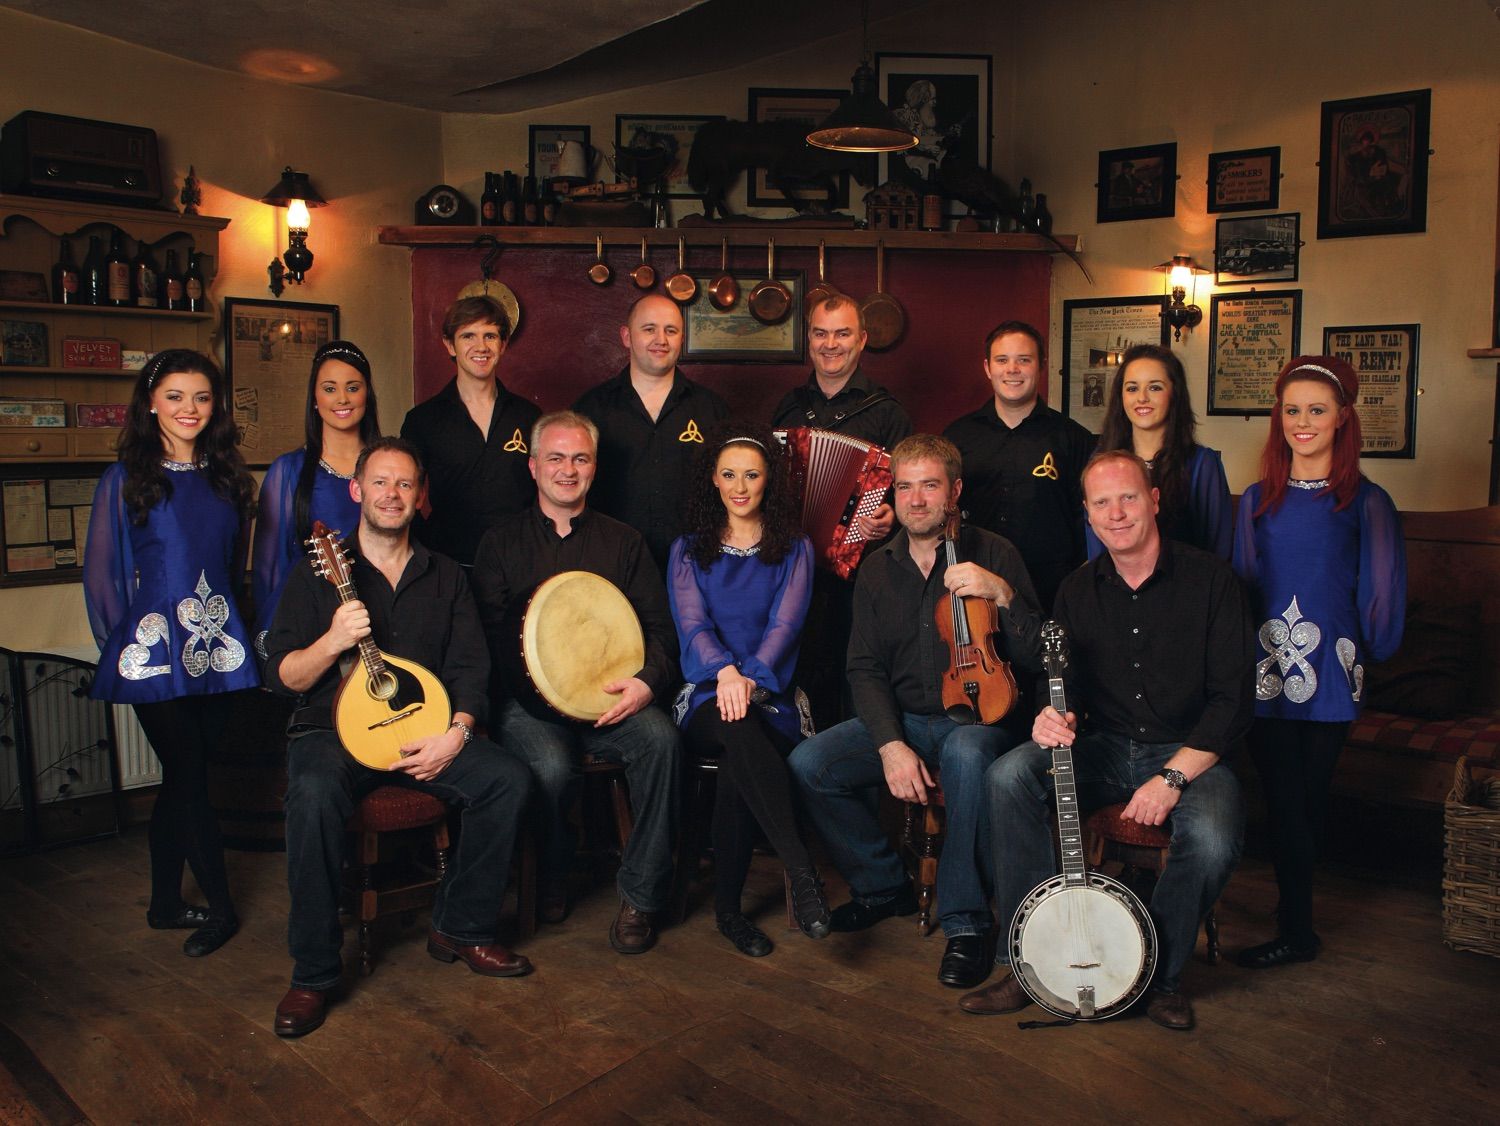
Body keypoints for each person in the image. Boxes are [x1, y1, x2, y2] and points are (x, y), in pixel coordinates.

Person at [962, 450, 1251, 1031]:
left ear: (1154, 501)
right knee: (1007, 776)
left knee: (1215, 837)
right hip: (1105, 744)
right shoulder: (1076, 589)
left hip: (1188, 751)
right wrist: (1049, 715)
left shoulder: (1213, 581)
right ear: (1088, 516)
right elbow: (1062, 683)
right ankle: (1029, 963)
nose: (1116, 513)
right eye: (1101, 503)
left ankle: (1159, 976)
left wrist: (1172, 778)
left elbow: (1234, 701)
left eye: (1128, 498)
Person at [262, 437, 533, 1038]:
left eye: (405, 484)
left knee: (508, 780)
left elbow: (471, 670)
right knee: (310, 795)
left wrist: (456, 734)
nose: (393, 494)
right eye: (380, 483)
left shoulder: (446, 577)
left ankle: (460, 928)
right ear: (357, 491)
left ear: (421, 497)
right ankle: (312, 973)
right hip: (332, 732)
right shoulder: (317, 575)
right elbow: (283, 677)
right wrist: (333, 639)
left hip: (423, 731)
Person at [789, 434, 1041, 989]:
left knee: (970, 754)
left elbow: (1037, 656)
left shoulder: (995, 553)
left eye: (930, 485)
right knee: (811, 764)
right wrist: (890, 744)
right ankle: (883, 884)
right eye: (905, 487)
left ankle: (966, 922)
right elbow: (864, 669)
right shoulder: (877, 569)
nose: (917, 499)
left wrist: (1003, 594)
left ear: (954, 490)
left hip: (977, 724)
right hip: (905, 721)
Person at [470, 411, 680, 954]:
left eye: (580, 459)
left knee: (662, 742)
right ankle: (554, 872)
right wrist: (546, 688)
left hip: (614, 703)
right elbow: (489, 643)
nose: (568, 470)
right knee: (549, 767)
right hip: (529, 707)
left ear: (594, 467)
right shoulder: (500, 544)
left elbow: (661, 631)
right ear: (534, 466)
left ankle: (641, 896)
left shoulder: (625, 543)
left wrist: (646, 685)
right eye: (557, 458)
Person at [83, 349, 259, 959]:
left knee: (183, 779)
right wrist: (124, 650)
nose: (190, 409)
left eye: (203, 398)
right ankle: (224, 908)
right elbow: (103, 575)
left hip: (217, 642)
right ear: (151, 401)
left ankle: (164, 904)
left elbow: (237, 568)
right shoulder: (125, 479)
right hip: (154, 649)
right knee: (190, 777)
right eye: (177, 396)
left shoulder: (228, 477)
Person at [1232, 356, 1406, 970]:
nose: (1302, 422)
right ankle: (1294, 923)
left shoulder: (1367, 501)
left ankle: (1297, 927)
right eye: (1292, 410)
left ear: (1342, 419)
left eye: (1316, 410)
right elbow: (1243, 587)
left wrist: (1368, 656)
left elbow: (1381, 591)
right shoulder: (1257, 499)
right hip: (1265, 671)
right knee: (1278, 799)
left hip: (1329, 672)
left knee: (1306, 798)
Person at [667, 421, 831, 957]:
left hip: (772, 693)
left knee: (743, 746)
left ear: (769, 483)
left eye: (752, 476)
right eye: (730, 475)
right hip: (708, 691)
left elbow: (786, 628)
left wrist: (751, 678)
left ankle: (729, 913)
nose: (740, 487)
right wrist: (725, 673)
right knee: (735, 724)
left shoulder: (796, 549)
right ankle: (802, 871)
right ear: (713, 480)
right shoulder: (688, 549)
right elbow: (692, 626)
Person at [771, 295, 912, 730]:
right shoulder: (788, 408)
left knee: (859, 684)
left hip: (863, 578)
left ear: (862, 340)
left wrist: (891, 517)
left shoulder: (887, 414)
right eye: (820, 332)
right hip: (794, 572)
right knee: (800, 682)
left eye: (843, 333)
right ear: (808, 340)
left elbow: (912, 493)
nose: (831, 344)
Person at [943, 320, 1095, 612]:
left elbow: (1086, 521)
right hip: (974, 591)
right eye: (1002, 360)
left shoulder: (1074, 439)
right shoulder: (957, 437)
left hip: (1052, 592)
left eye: (1023, 360)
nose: (1012, 369)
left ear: (1040, 366)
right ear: (988, 368)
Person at [574, 294, 730, 571]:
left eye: (671, 330)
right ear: (626, 336)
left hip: (695, 565)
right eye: (649, 329)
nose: (661, 339)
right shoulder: (590, 409)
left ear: (682, 339)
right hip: (611, 562)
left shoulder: (712, 409)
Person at [252, 340, 381, 653]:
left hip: (380, 613)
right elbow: (270, 567)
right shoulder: (289, 470)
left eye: (353, 387)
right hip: (310, 619)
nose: (342, 398)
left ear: (367, 395)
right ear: (314, 398)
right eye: (329, 388)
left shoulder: (389, 463)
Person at [400, 295, 541, 566]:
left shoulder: (529, 416)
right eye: (468, 336)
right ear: (449, 345)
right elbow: (405, 490)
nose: (481, 346)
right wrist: (426, 550)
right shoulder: (422, 420)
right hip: (448, 566)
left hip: (518, 563)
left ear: (503, 344)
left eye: (490, 336)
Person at [1087, 343, 1231, 560]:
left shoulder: (1202, 464)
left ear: (1174, 393)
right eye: (1132, 388)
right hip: (1116, 589)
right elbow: (1096, 548)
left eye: (1155, 387)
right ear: (1121, 396)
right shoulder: (1101, 465)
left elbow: (1218, 550)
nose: (1142, 398)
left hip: (1190, 588)